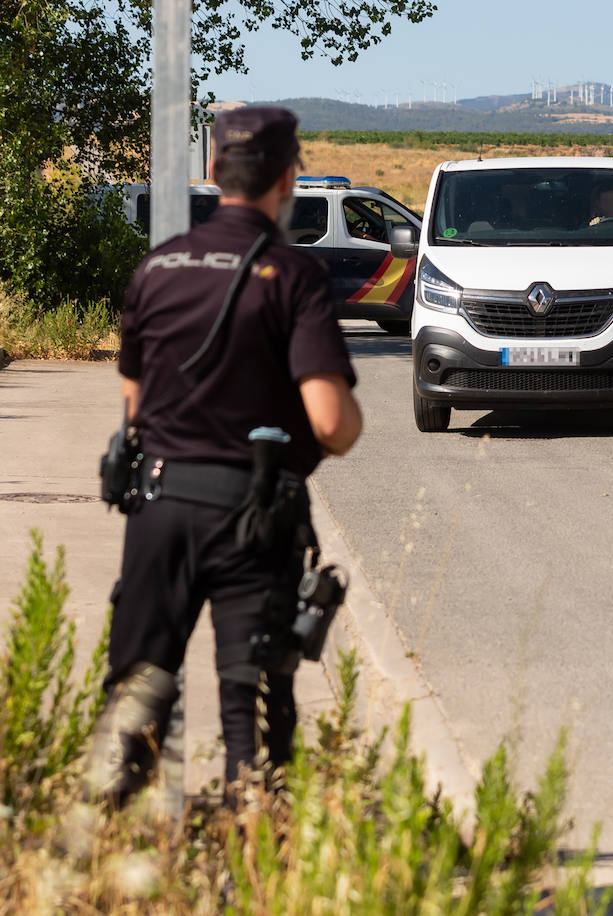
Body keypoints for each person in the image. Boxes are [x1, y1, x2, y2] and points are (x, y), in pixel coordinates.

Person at [83, 107, 363, 809]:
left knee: (136, 694)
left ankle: (112, 859)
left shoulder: (157, 268)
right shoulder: (293, 275)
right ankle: (251, 860)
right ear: (288, 178)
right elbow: (333, 423)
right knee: (251, 712)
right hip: (251, 520)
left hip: (160, 509)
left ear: (213, 172)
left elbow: (133, 405)